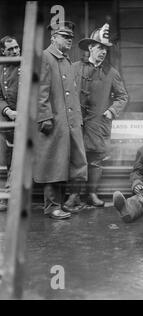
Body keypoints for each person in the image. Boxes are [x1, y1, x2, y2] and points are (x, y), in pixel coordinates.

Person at [65, 23, 128, 209]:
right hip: (76, 123)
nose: (103, 52)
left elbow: (123, 96)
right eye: (99, 48)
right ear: (91, 48)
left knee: (95, 160)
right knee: (76, 159)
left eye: (105, 49)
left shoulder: (111, 72)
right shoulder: (74, 68)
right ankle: (73, 196)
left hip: (98, 124)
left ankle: (92, 194)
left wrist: (111, 111)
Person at [33, 21, 88, 219]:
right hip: (53, 122)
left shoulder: (64, 60)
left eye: (71, 37)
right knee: (53, 164)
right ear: (53, 37)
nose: (70, 40)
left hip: (70, 123)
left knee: (70, 164)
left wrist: (77, 120)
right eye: (65, 36)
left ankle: (67, 202)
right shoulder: (45, 57)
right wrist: (45, 117)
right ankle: (51, 207)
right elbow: (41, 91)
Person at [0, 36, 20, 212]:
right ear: (3, 52)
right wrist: (8, 111)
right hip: (9, 121)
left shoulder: (27, 66)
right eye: (10, 49)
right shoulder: (1, 70)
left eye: (16, 47)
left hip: (28, 120)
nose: (15, 51)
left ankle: (8, 195)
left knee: (16, 160)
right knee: (9, 159)